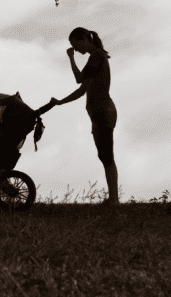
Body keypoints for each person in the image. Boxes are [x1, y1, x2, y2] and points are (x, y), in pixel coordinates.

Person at [50, 27, 119, 206]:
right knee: (104, 156)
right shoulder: (95, 58)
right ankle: (113, 199)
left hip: (103, 111)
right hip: (98, 113)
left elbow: (79, 79)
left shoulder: (96, 55)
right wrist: (60, 102)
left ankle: (114, 200)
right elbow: (82, 89)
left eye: (76, 45)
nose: (77, 50)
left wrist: (71, 58)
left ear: (84, 39)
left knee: (107, 155)